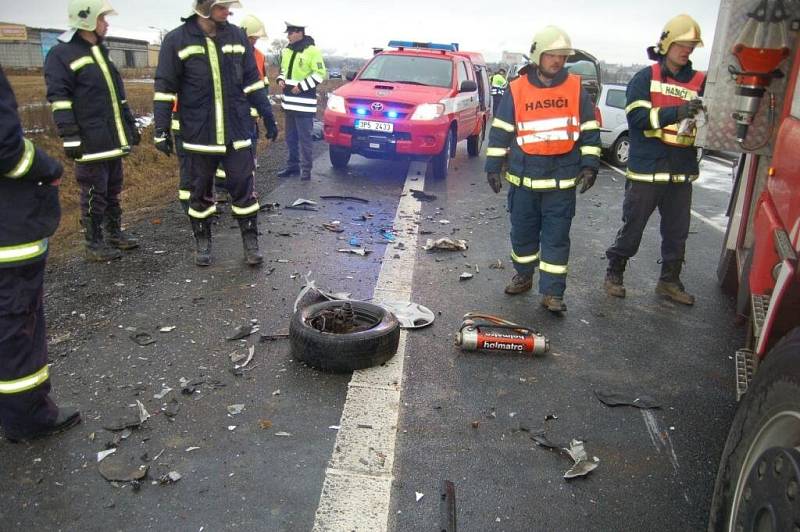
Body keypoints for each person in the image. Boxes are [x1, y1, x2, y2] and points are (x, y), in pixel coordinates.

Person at [485, 25, 601, 314]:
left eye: (562, 56)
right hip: (524, 182)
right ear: (539, 55)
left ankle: (552, 293)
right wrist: (492, 166)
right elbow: (500, 130)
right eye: (552, 55)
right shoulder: (518, 88)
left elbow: (589, 130)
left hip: (561, 184)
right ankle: (523, 276)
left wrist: (590, 165)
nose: (558, 61)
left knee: (556, 240)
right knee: (522, 235)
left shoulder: (576, 88)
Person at [153, 0, 278, 267]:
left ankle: (250, 242)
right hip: (199, 133)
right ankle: (202, 241)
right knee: (199, 192)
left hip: (237, 129)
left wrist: (267, 114)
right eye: (222, 6)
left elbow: (252, 81)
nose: (228, 12)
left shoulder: (236, 36)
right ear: (204, 7)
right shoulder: (177, 40)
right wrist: (161, 128)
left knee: (245, 186)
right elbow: (165, 87)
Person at [0, 66, 81, 443]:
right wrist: (48, 166)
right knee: (16, 323)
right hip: (8, 230)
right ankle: (27, 417)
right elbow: (7, 150)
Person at [604, 14, 705, 306]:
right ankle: (614, 273)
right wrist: (677, 112)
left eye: (692, 45)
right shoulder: (646, 78)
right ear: (667, 43)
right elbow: (636, 118)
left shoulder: (700, 81)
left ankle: (669, 282)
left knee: (677, 234)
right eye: (682, 44)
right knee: (632, 229)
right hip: (648, 171)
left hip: (681, 171)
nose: (687, 50)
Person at [44, 0, 140, 262]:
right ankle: (93, 243)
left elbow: (117, 97)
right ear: (86, 21)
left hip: (110, 136)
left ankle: (114, 234)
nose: (106, 24)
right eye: (102, 19)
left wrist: (129, 126)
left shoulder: (100, 51)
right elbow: (60, 99)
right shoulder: (61, 54)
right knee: (94, 191)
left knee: (112, 187)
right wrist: (70, 136)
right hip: (89, 138)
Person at [276, 21, 326, 180]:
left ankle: (306, 170)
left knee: (305, 139)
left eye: (290, 33)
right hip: (288, 102)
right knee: (290, 137)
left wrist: (303, 86)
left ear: (300, 33)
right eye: (288, 33)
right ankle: (293, 166)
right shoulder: (287, 51)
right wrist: (280, 79)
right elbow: (284, 70)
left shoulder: (312, 51)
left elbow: (320, 74)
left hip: (304, 104)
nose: (288, 36)